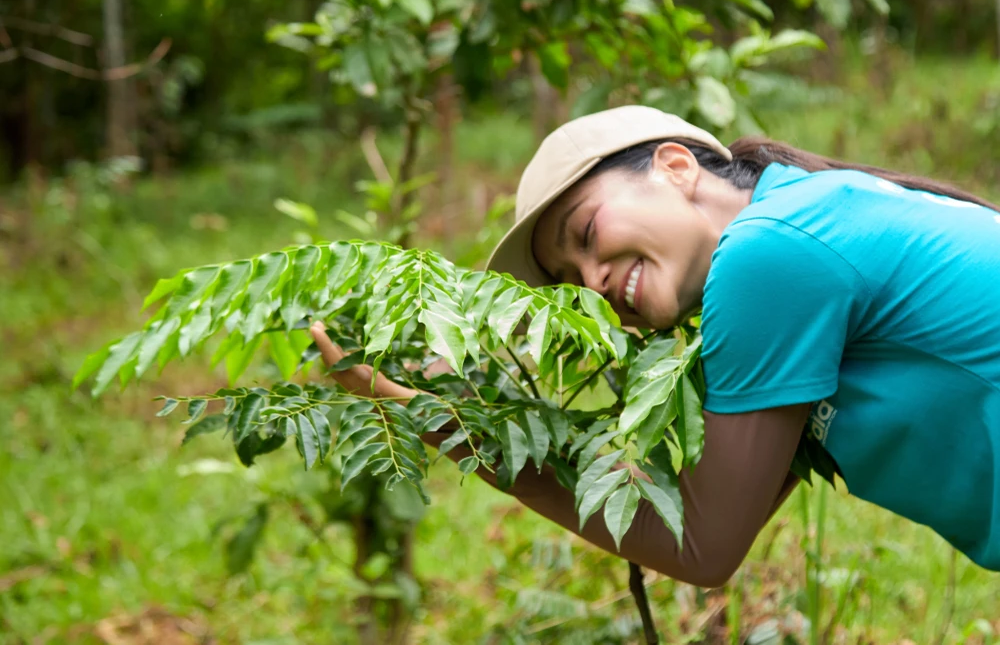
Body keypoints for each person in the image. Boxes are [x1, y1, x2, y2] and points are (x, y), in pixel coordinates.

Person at [310, 105, 1000, 587]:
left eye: (586, 234)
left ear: (676, 166)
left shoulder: (769, 255)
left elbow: (705, 545)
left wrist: (441, 420)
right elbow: (724, 508)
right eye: (571, 281)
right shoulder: (805, 209)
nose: (593, 281)